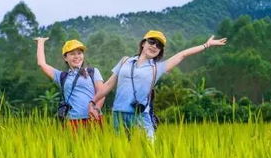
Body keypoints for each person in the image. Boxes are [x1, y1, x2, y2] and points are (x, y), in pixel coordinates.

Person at [88, 30, 227, 139]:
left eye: (159, 45)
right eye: (152, 41)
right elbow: (107, 86)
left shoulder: (157, 68)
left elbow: (182, 55)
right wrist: (93, 102)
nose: (154, 46)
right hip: (118, 115)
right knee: (121, 154)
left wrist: (206, 45)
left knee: (149, 151)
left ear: (160, 51)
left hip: (140, 116)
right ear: (143, 43)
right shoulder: (125, 61)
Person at [35, 37, 105, 129]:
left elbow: (102, 93)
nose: (77, 57)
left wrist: (96, 109)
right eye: (72, 54)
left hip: (94, 118)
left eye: (79, 53)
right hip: (72, 121)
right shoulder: (62, 76)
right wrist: (40, 42)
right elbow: (41, 64)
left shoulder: (93, 72)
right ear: (65, 57)